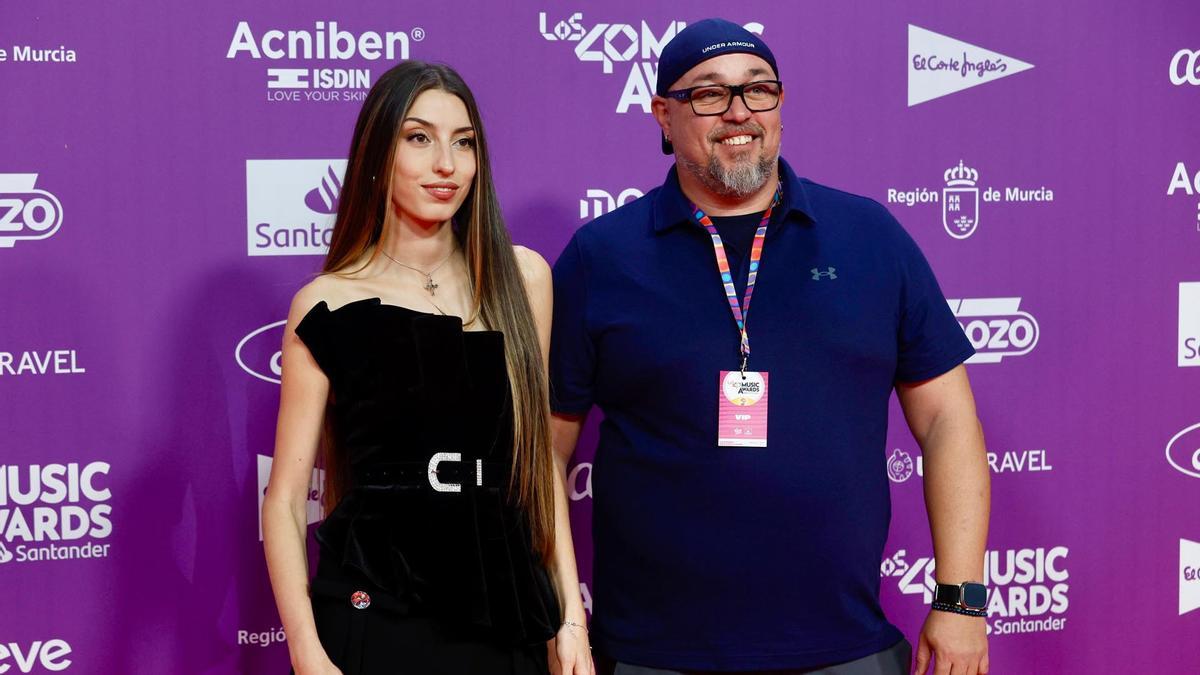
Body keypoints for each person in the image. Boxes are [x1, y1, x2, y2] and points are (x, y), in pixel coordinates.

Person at [549, 19, 990, 675]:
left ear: (780, 104)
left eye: (758, 90)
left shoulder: (870, 237)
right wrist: (564, 617)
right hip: (653, 653)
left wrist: (961, 599)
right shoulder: (602, 257)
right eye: (709, 94)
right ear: (664, 115)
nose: (739, 113)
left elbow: (947, 419)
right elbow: (544, 456)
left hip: (846, 646)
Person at [262, 61, 594, 675]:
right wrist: (306, 651)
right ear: (377, 153)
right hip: (375, 600)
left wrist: (570, 615)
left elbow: (537, 462)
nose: (447, 164)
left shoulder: (523, 279)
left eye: (463, 143)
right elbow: (284, 500)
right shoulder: (328, 303)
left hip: (503, 599)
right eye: (419, 138)